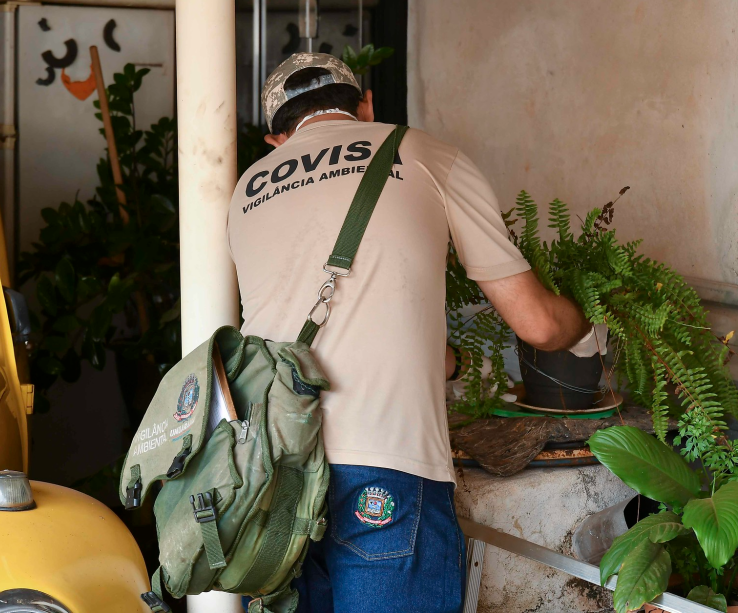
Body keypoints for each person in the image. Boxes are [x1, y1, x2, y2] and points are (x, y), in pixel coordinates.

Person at [228, 53, 601, 613]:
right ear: (368, 105)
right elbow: (538, 324)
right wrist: (586, 325)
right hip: (386, 466)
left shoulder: (245, 191)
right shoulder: (423, 152)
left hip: (276, 475)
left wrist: (445, 361)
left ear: (275, 138)